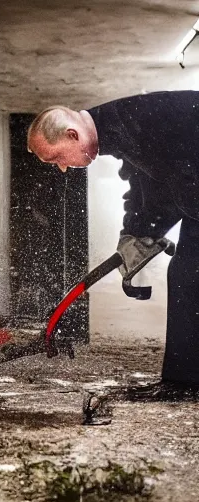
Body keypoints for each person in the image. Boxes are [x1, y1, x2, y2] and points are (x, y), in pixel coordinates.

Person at [27, 91, 199, 388]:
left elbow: (180, 180)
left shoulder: (135, 123)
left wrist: (149, 231)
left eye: (57, 157)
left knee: (188, 274)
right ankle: (182, 380)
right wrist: (137, 232)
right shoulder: (119, 128)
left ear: (72, 135)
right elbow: (146, 185)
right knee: (187, 273)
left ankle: (183, 382)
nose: (63, 167)